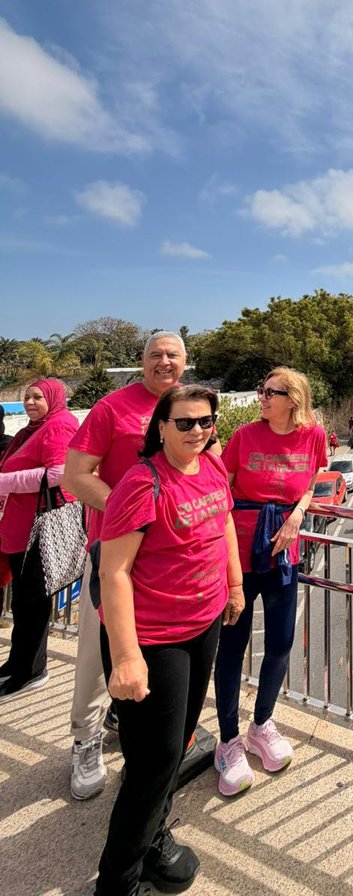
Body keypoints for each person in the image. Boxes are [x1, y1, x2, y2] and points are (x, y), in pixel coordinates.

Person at [94, 383, 243, 896]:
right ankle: (118, 883)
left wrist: (235, 584)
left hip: (203, 626)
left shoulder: (212, 466)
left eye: (206, 422)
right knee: (151, 765)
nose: (198, 431)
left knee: (173, 747)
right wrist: (126, 657)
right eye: (185, 422)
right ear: (160, 427)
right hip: (155, 639)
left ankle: (153, 840)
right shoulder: (142, 483)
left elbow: (223, 520)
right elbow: (114, 573)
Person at [64, 331, 188, 802]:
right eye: (155, 354)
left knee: (156, 650)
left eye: (172, 355)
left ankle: (128, 723)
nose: (163, 362)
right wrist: (128, 509)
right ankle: (85, 739)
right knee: (99, 652)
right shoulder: (112, 408)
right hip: (115, 552)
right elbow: (74, 476)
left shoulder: (190, 408)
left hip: (168, 558)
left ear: (185, 362)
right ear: (141, 362)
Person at [213, 368, 326, 797]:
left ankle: (261, 723)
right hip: (239, 551)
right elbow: (221, 491)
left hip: (283, 550)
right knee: (232, 646)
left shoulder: (313, 435)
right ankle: (228, 740)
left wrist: (298, 513)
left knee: (279, 642)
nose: (261, 397)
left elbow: (313, 479)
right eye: (262, 391)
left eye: (269, 392)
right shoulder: (244, 436)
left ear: (292, 398)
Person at [0, 379, 79, 703]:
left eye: (38, 397)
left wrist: (4, 481)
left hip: (39, 531)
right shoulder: (32, 430)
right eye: (27, 397)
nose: (31, 402)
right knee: (22, 601)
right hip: (20, 529)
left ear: (54, 399)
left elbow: (60, 473)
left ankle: (30, 671)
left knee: (32, 603)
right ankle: (17, 664)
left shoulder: (59, 427)